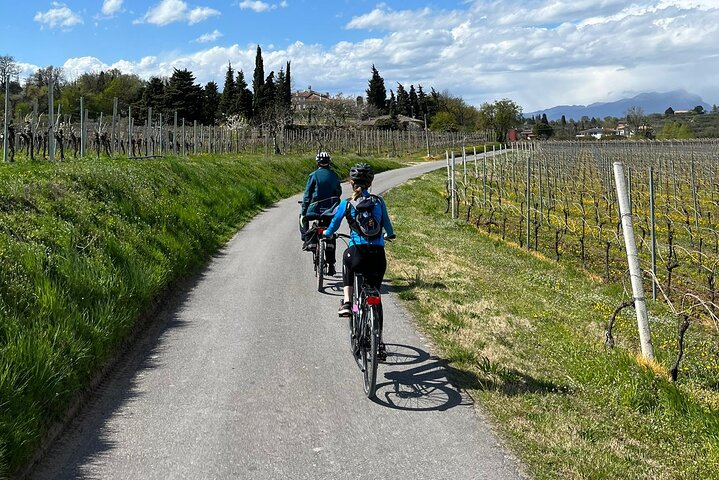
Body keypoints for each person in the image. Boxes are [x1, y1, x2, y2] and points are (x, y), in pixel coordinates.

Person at [322, 163, 395, 325]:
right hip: (378, 256)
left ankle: (348, 303)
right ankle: (377, 337)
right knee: (375, 294)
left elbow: (333, 225)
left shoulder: (346, 204)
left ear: (351, 183)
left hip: (357, 254)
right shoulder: (379, 202)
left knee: (346, 258)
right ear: (370, 183)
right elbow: (389, 227)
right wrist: (388, 235)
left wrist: (326, 233)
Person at [300, 151, 342, 275]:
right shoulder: (334, 176)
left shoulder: (313, 175)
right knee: (331, 233)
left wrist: (304, 210)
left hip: (314, 210)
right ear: (329, 162)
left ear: (317, 162)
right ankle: (331, 265)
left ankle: (306, 239)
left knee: (302, 218)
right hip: (330, 211)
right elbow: (338, 192)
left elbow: (307, 195)